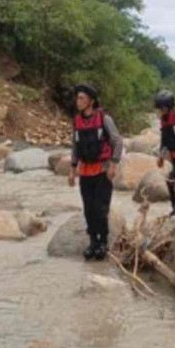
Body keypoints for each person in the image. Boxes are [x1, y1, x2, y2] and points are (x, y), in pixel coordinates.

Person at [68, 84, 123, 261]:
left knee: (101, 209)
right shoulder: (77, 120)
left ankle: (103, 242)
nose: (78, 101)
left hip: (102, 170)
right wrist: (72, 169)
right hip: (85, 171)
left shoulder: (104, 119)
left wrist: (113, 164)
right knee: (88, 209)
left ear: (91, 101)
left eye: (82, 98)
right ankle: (93, 242)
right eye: (77, 98)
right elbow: (75, 146)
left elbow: (117, 141)